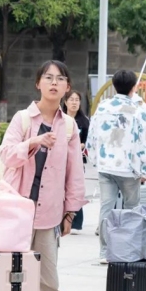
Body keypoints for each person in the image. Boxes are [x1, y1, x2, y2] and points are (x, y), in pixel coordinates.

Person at [0, 60, 86, 291]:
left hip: (49, 216)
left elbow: (74, 173)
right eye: (48, 78)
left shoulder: (70, 126)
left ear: (67, 87)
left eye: (60, 78)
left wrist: (70, 212)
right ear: (37, 83)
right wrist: (34, 141)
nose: (53, 83)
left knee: (48, 284)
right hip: (16, 215)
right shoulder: (24, 120)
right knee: (8, 278)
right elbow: (7, 155)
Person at [86, 69, 146, 264]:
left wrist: (95, 159)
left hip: (106, 166)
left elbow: (93, 134)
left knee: (105, 209)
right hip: (129, 167)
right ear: (134, 87)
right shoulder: (140, 108)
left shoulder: (103, 106)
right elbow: (145, 139)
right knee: (132, 208)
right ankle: (129, 249)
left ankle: (104, 252)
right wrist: (145, 169)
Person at [62, 90, 90, 234]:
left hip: (77, 160)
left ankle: (76, 223)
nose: (74, 102)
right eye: (71, 99)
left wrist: (81, 145)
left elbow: (89, 141)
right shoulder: (59, 119)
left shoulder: (84, 122)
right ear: (65, 102)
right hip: (60, 159)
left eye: (77, 100)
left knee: (75, 189)